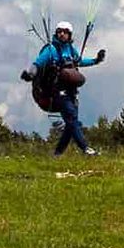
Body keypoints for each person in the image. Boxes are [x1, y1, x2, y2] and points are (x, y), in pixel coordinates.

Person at [26, 21, 105, 157]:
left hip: (71, 92)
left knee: (71, 124)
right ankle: (86, 149)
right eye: (59, 31)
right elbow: (38, 62)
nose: (61, 34)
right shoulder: (51, 49)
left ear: (69, 34)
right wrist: (31, 73)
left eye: (65, 32)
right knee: (72, 120)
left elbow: (79, 61)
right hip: (57, 91)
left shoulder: (70, 49)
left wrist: (95, 60)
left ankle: (57, 154)